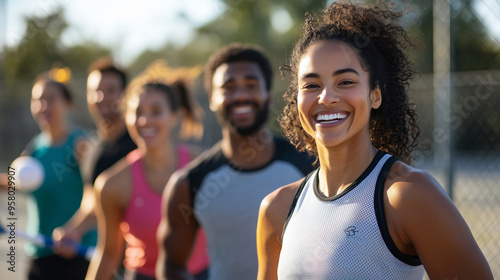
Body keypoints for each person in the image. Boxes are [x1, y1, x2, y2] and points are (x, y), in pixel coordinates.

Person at [256, 2, 493, 280]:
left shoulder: (407, 195)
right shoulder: (277, 208)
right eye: (311, 85)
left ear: (375, 95)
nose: (326, 97)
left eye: (345, 82)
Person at [156, 44, 315, 280]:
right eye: (228, 88)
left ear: (268, 96)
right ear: (212, 99)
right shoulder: (189, 183)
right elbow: (171, 266)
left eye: (251, 86)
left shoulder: (311, 164)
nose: (240, 95)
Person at [85, 60, 209, 280]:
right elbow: (108, 254)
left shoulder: (203, 167)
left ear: (174, 117)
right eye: (137, 112)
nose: (145, 120)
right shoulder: (111, 184)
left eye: (155, 111)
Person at [1, 72, 97, 280]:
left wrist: (74, 230)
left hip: (78, 254)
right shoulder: (35, 147)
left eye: (51, 99)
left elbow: (99, 195)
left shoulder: (81, 144)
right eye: (38, 100)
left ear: (67, 103)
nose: (43, 106)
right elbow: (14, 182)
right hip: (40, 251)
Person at [51, 58, 137, 275]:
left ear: (125, 95)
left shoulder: (139, 142)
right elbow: (93, 201)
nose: (101, 97)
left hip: (141, 263)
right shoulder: (92, 147)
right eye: (95, 91)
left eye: (110, 90)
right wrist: (72, 230)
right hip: (110, 260)